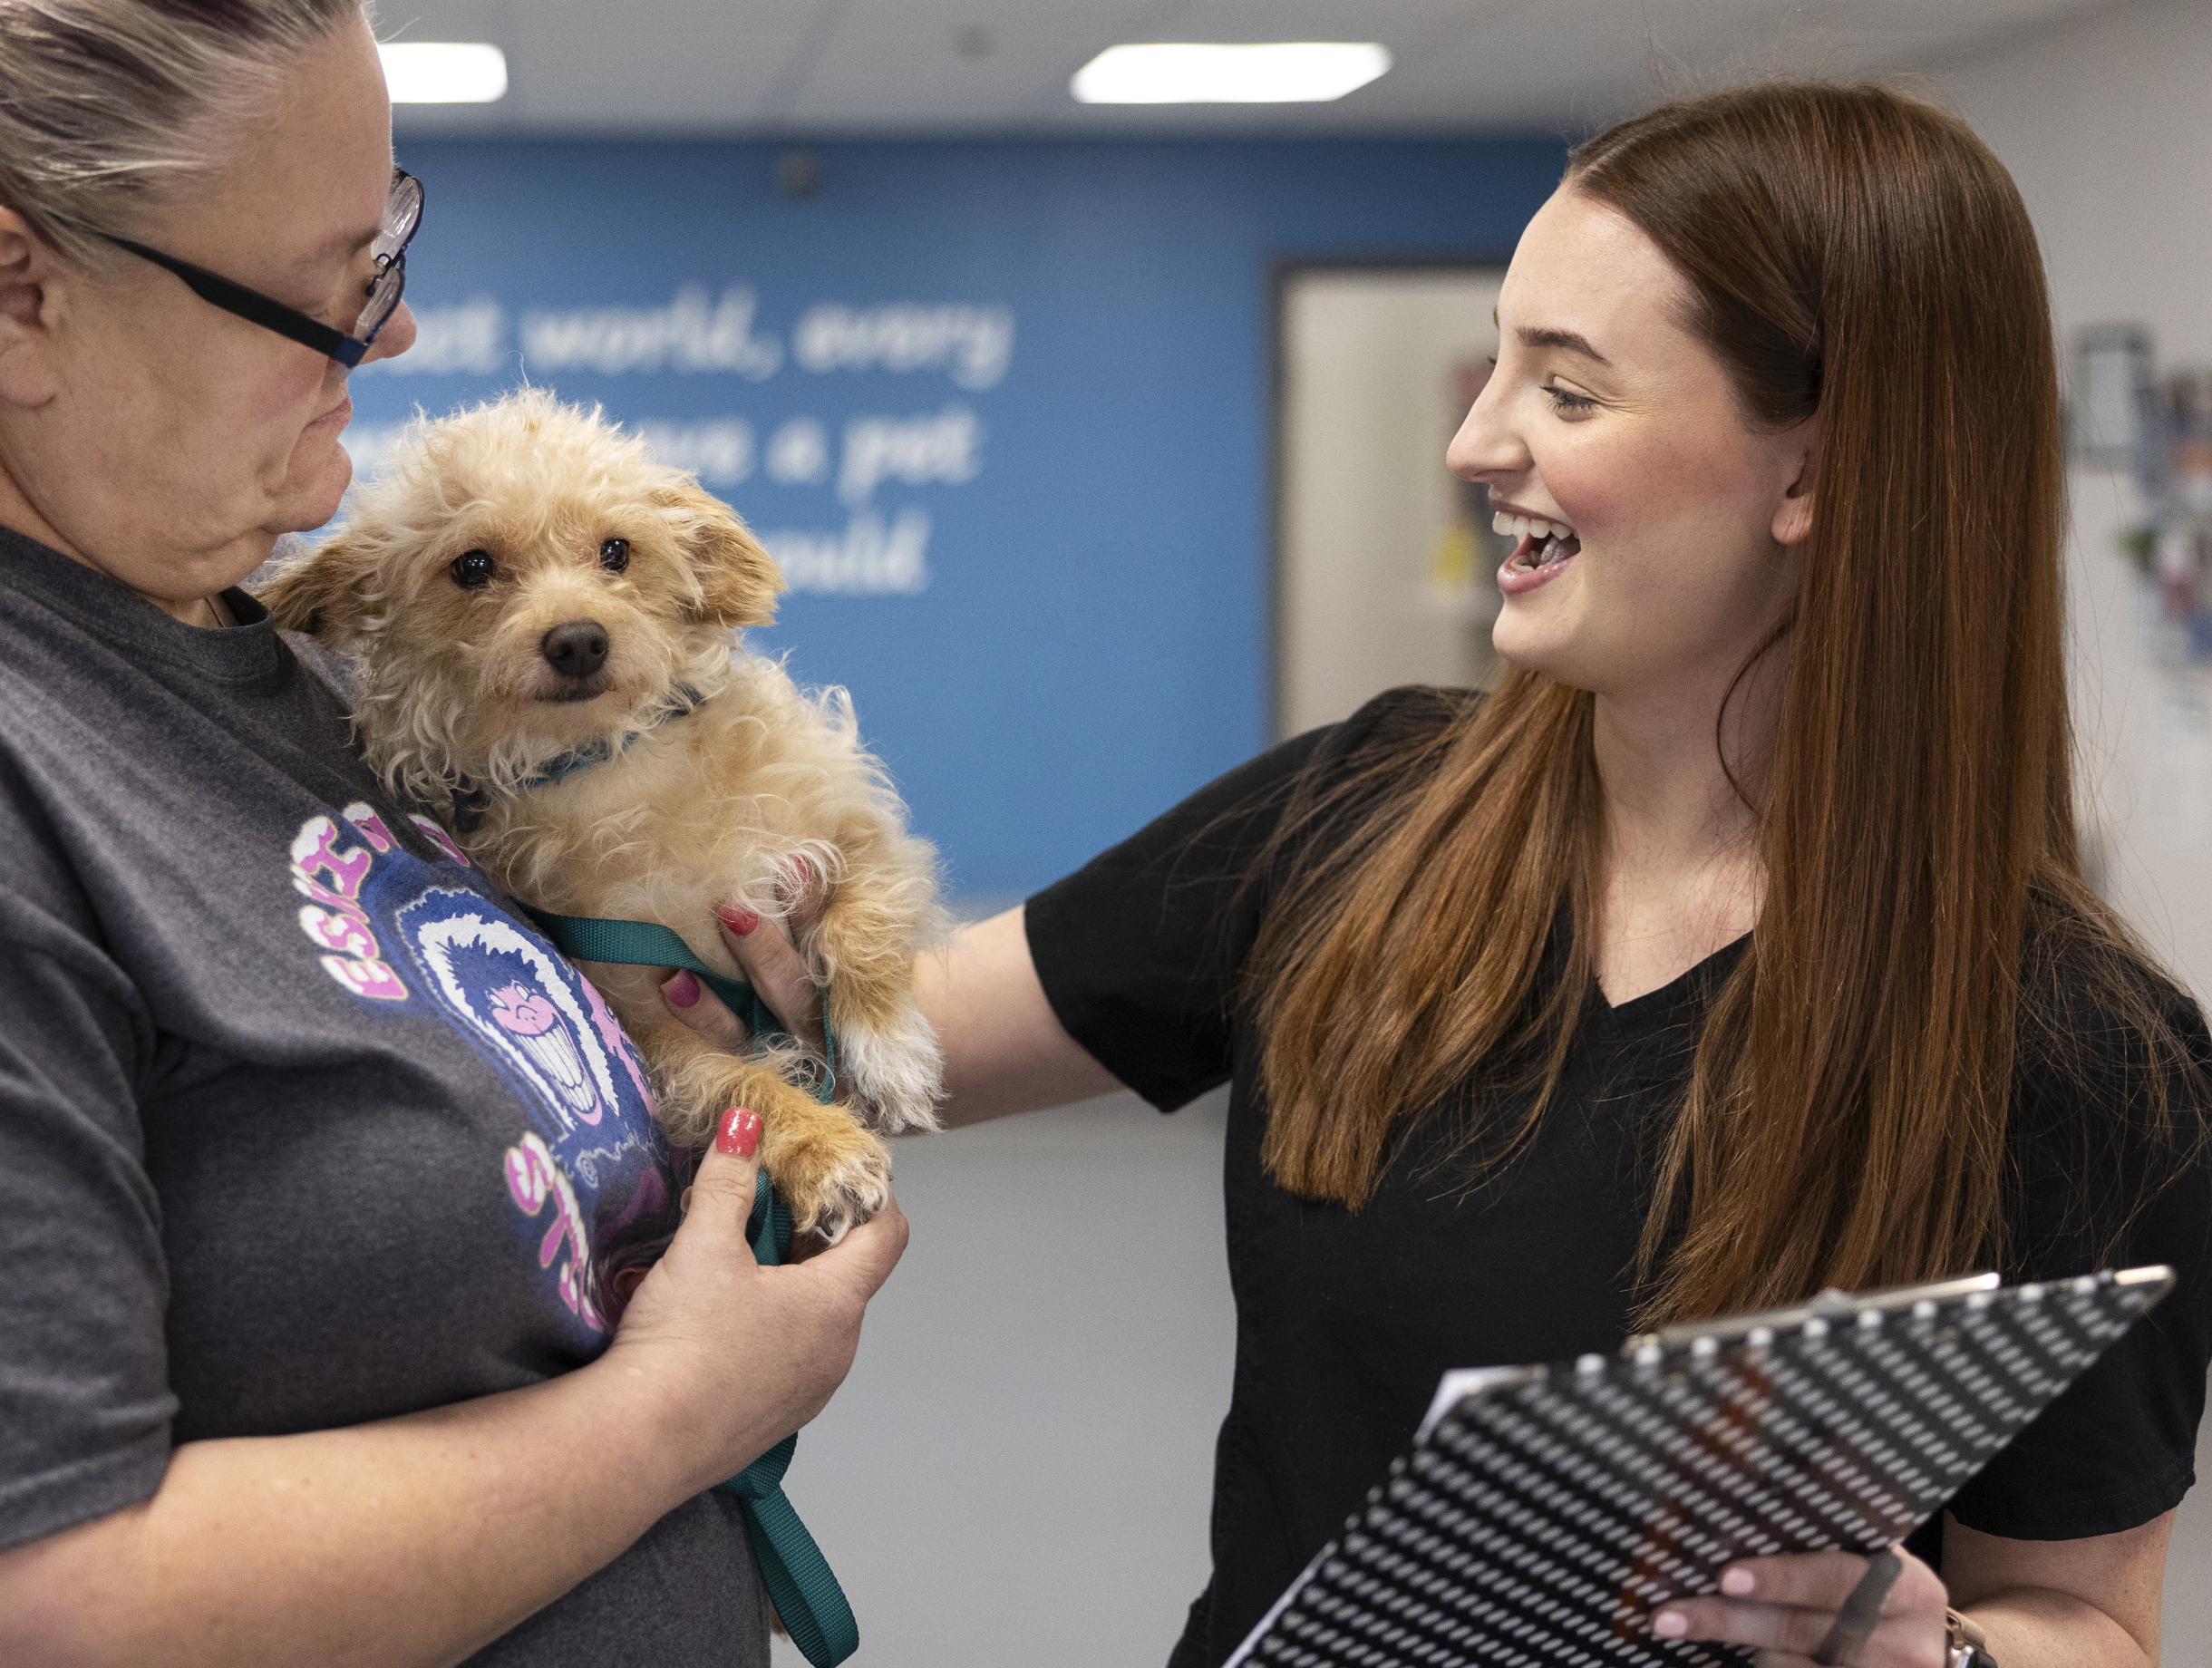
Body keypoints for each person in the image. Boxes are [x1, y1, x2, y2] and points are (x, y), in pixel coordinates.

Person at [678, 84, 2212, 1668]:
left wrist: (1940, 1657)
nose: (1478, 442)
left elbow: (2087, 1616)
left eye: (1570, 391)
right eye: (1502, 367)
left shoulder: (2092, 1057)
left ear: (1814, 472)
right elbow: (867, 1030)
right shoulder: (1362, 810)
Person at [0, 5, 904, 1663]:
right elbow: (53, 1605)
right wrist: (678, 1415)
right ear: (20, 288)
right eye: (333, 276)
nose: (394, 334)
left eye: (391, 242)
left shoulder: (321, 677)